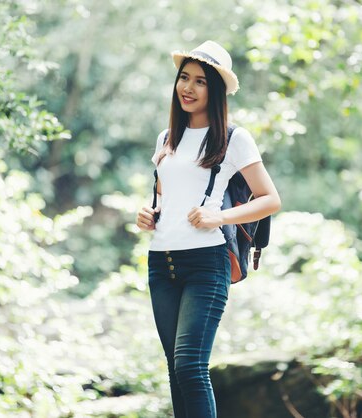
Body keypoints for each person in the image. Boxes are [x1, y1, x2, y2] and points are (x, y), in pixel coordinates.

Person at [135, 40, 281, 418]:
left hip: (207, 262)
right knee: (175, 369)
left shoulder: (234, 138)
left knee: (190, 366)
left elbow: (270, 199)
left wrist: (219, 217)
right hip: (161, 261)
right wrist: (151, 213)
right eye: (184, 78)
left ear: (214, 90)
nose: (188, 87)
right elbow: (167, 197)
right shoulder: (166, 139)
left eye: (200, 81)